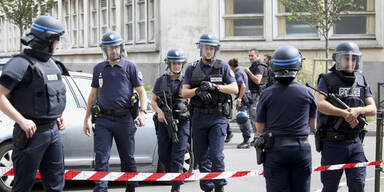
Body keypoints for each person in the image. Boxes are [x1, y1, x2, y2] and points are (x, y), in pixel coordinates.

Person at [0, 15, 68, 192]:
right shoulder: (20, 64)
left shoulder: (52, 64)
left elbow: (48, 94)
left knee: (56, 185)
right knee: (23, 186)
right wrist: (21, 120)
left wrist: (57, 116)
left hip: (53, 131)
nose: (58, 43)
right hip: (30, 135)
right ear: (48, 40)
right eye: (57, 39)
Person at [83, 31, 148, 192]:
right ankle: (101, 189)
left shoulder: (130, 67)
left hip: (124, 119)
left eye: (116, 47)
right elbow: (93, 95)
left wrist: (143, 112)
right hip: (103, 119)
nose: (114, 51)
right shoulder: (99, 68)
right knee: (101, 158)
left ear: (121, 48)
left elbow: (142, 92)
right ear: (105, 49)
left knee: (127, 158)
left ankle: (131, 187)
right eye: (110, 48)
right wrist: (86, 119)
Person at [315, 41, 377, 192]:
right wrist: (344, 113)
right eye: (347, 58)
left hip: (355, 142)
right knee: (330, 187)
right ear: (338, 59)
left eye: (354, 59)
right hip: (333, 143)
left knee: (358, 186)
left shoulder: (361, 80)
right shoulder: (326, 79)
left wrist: (358, 110)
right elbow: (320, 104)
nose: (351, 62)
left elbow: (373, 108)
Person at [182, 33, 238, 192]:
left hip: (217, 117)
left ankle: (220, 187)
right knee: (201, 157)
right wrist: (198, 90)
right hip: (199, 117)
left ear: (215, 50)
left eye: (212, 48)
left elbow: (234, 88)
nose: (209, 51)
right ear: (201, 48)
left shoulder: (223, 67)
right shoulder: (192, 68)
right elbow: (184, 93)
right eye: (206, 48)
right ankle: (207, 188)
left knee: (216, 155)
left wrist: (216, 87)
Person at [256, 46, 317, 192]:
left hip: (275, 150)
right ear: (298, 65)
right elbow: (313, 126)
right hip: (301, 149)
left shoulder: (266, 94)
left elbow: (259, 128)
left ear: (273, 66)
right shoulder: (307, 93)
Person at [151, 48, 190, 192]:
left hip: (182, 123)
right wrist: (159, 112)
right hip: (164, 123)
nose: (176, 66)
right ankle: (173, 175)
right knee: (163, 154)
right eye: (174, 63)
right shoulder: (160, 80)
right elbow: (153, 101)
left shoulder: (187, 81)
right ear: (169, 64)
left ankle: (176, 187)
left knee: (178, 155)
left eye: (179, 63)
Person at [244, 49, 268, 146]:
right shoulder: (254, 66)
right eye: (249, 56)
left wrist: (248, 72)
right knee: (252, 116)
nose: (250, 58)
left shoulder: (259, 66)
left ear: (257, 56)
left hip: (259, 94)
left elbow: (258, 80)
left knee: (256, 116)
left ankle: (259, 137)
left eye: (252, 56)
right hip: (253, 94)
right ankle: (258, 136)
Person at [228, 58, 252, 149]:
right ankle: (246, 140)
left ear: (231, 66)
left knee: (243, 119)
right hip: (245, 97)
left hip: (243, 98)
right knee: (243, 118)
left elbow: (243, 86)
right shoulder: (241, 72)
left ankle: (246, 141)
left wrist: (239, 99)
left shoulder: (237, 73)